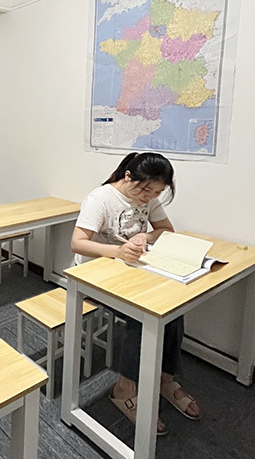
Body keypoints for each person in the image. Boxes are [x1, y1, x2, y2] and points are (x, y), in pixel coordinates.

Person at [70, 152, 201, 435]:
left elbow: (165, 229)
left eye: (157, 193)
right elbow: (77, 243)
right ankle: (124, 388)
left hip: (130, 272)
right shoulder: (100, 199)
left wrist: (145, 236)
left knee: (172, 309)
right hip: (95, 276)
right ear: (128, 177)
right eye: (146, 191)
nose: (150, 198)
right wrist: (118, 251)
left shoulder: (148, 197)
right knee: (142, 317)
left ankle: (164, 378)